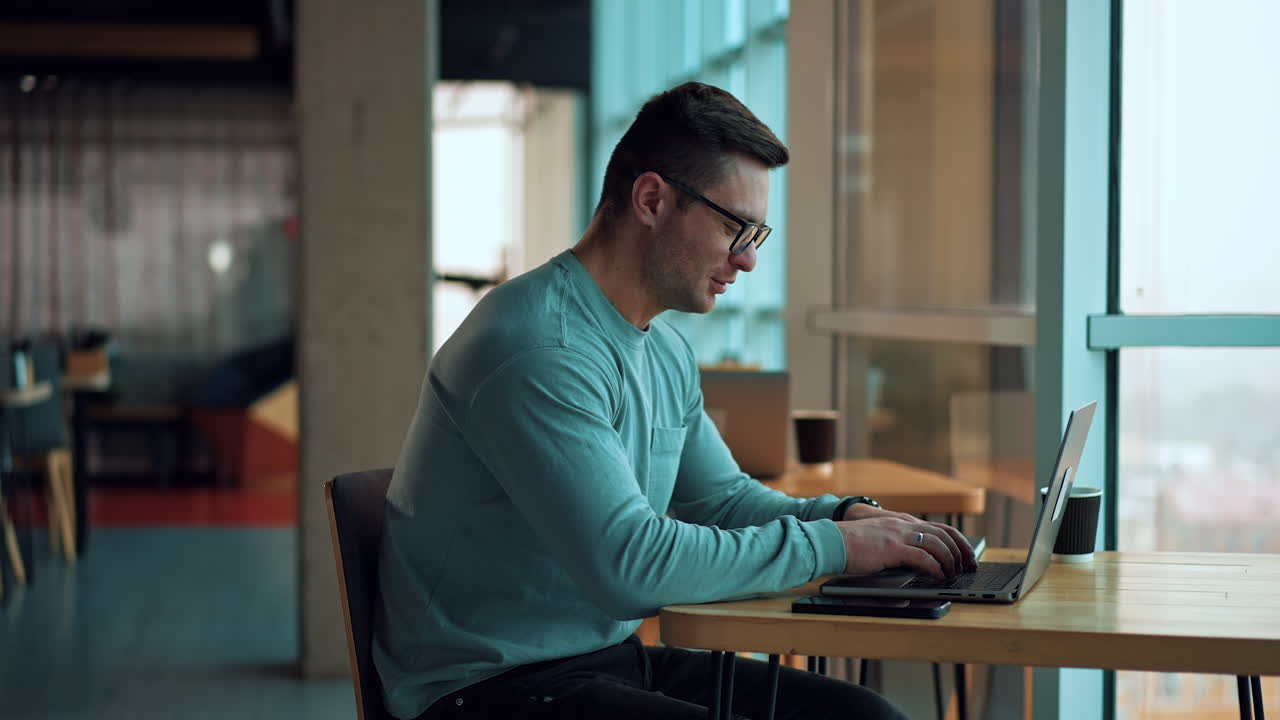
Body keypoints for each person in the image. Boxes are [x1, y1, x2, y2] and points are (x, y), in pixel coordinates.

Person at [375, 81, 976, 720]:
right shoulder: (538, 348)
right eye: (734, 227)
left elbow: (722, 501)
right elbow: (630, 566)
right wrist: (839, 547)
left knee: (868, 718)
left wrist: (846, 516)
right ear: (652, 200)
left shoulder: (663, 349)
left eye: (757, 233)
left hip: (603, 659)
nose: (747, 260)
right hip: (483, 688)